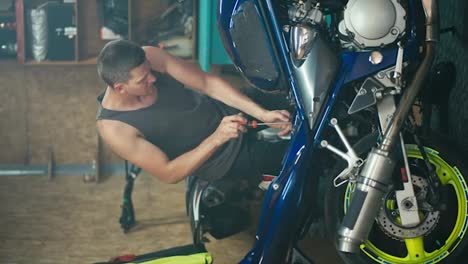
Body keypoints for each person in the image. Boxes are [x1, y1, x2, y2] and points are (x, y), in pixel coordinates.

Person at [96, 39, 292, 186]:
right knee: (304, 158)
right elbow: (169, 173)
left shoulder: (150, 56)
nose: (153, 79)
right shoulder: (115, 129)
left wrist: (263, 114)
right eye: (143, 80)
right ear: (120, 88)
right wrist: (217, 138)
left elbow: (207, 84)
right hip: (222, 159)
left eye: (150, 71)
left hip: (229, 112)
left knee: (299, 101)